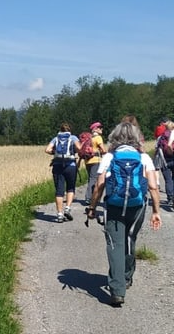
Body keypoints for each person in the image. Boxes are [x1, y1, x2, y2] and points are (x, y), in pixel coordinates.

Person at [87, 121, 162, 306]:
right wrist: (156, 211)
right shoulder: (143, 157)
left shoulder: (110, 156)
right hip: (137, 206)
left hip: (113, 205)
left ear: (115, 137)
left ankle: (117, 290)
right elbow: (153, 186)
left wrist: (92, 207)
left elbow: (99, 185)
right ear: (137, 138)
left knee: (115, 244)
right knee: (129, 239)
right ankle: (127, 277)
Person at [45, 122, 81, 223]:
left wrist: (55, 153)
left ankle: (59, 214)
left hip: (57, 166)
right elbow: (79, 148)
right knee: (70, 188)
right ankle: (67, 209)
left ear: (60, 130)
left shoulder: (56, 138)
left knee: (59, 190)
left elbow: (47, 150)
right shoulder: (73, 138)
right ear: (70, 130)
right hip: (71, 166)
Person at [84, 122, 107, 204]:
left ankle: (91, 196)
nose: (102, 129)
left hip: (87, 161)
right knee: (94, 179)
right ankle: (89, 198)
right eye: (100, 128)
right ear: (96, 129)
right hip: (96, 160)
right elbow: (103, 150)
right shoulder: (98, 137)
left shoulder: (89, 138)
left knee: (90, 178)